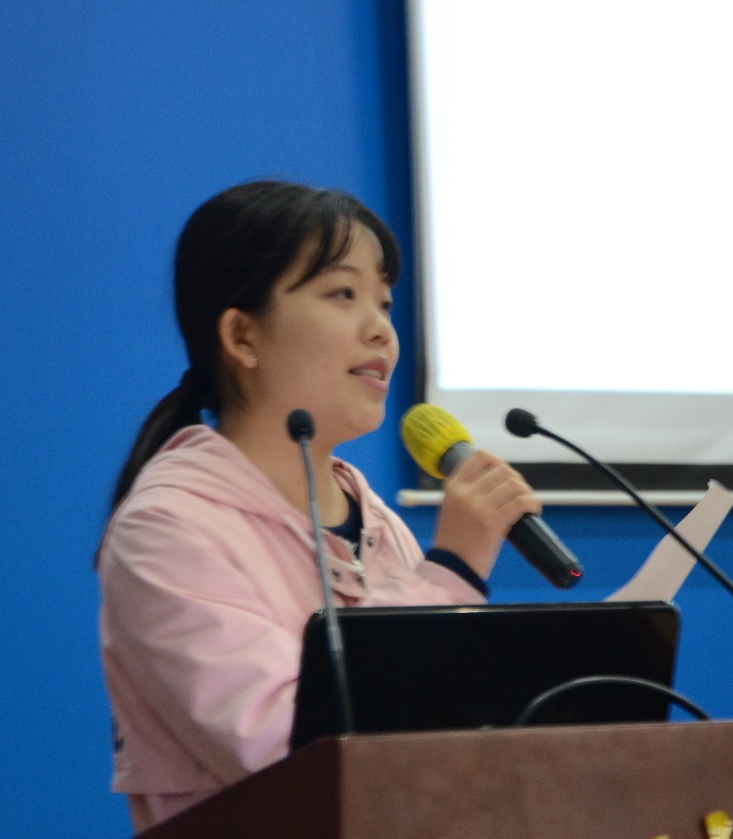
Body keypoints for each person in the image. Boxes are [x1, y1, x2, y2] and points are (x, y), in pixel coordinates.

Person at [96, 181, 541, 832]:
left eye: (384, 302)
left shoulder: (376, 520)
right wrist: (450, 571)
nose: (381, 329)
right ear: (242, 335)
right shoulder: (167, 528)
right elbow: (289, 748)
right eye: (342, 294)